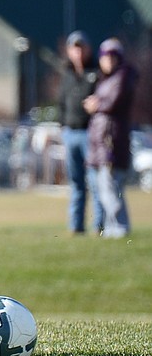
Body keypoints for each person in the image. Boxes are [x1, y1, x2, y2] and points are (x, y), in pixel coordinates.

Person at [84, 37, 135, 238]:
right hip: (100, 140)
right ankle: (111, 227)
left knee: (111, 187)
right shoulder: (103, 79)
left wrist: (96, 104)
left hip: (111, 140)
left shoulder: (123, 76)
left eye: (113, 57)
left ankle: (120, 227)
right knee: (103, 188)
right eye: (105, 57)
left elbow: (113, 101)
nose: (108, 61)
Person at [55, 31, 100, 234]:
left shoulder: (96, 73)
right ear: (69, 51)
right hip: (70, 133)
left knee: (95, 181)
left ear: (88, 50)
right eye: (75, 48)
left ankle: (99, 224)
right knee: (76, 183)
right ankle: (76, 226)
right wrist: (62, 125)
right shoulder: (67, 75)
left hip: (90, 133)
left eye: (81, 47)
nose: (78, 52)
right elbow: (61, 104)